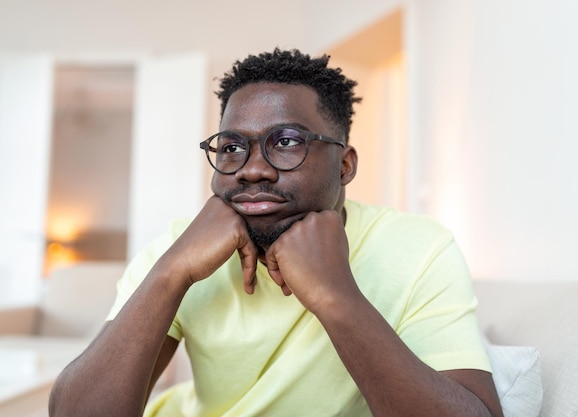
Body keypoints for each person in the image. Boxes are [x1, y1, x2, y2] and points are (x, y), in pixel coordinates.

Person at [49, 48, 503, 417]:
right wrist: (173, 272)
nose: (252, 170)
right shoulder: (177, 248)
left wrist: (335, 296)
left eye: (286, 141)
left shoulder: (417, 248)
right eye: (232, 147)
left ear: (345, 165)